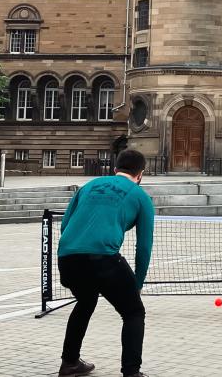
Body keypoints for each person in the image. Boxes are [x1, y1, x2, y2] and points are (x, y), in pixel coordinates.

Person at [56, 148, 154, 377]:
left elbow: (64, 226)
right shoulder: (141, 196)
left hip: (67, 257)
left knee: (86, 301)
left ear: (115, 168)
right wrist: (137, 283)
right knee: (133, 313)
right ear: (141, 174)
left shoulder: (89, 186)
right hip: (103, 258)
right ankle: (131, 371)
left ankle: (69, 363)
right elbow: (144, 246)